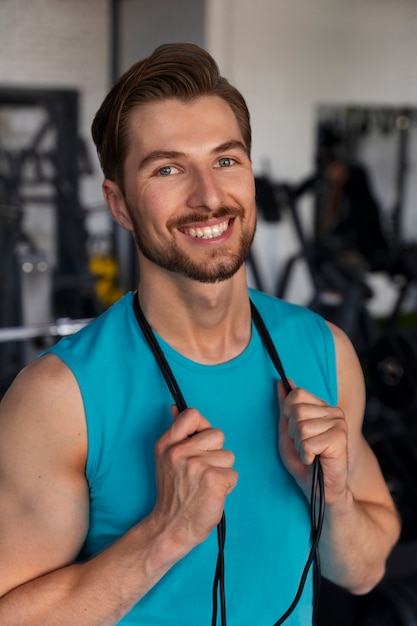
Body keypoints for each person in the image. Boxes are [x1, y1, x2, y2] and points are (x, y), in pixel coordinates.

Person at [0, 43, 400, 626]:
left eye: (226, 160)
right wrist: (166, 532)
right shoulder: (57, 400)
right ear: (119, 204)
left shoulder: (324, 351)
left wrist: (331, 496)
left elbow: (363, 570)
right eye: (167, 168)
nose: (209, 195)